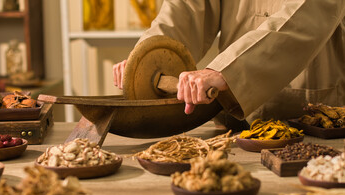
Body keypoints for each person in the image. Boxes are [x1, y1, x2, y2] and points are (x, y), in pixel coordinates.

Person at [113, 0, 345, 125]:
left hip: (315, 123)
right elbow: (185, 8)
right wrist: (148, 57)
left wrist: (228, 72)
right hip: (232, 122)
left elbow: (307, 13)